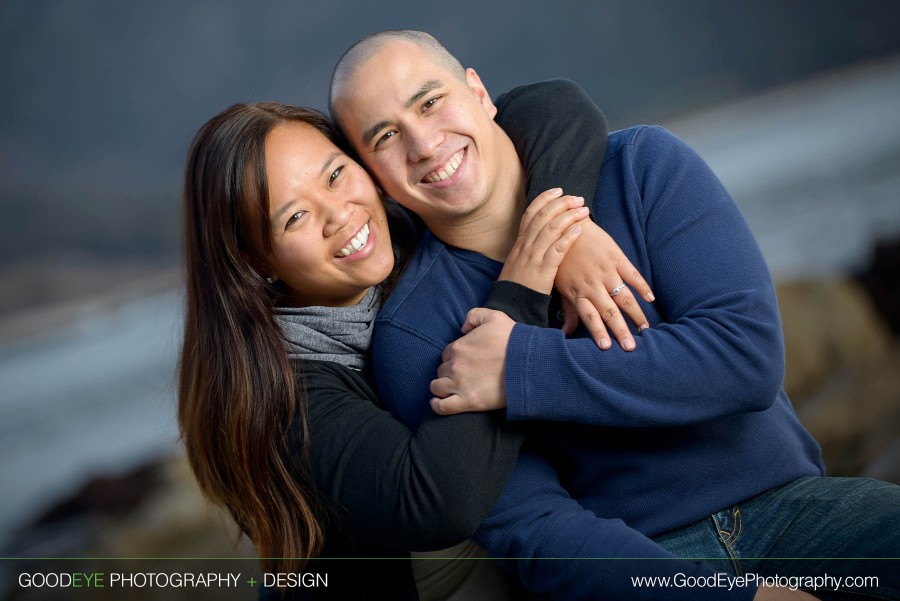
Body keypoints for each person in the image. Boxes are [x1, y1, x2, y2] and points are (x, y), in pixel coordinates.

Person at [328, 30, 900, 600]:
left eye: (431, 102)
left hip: (800, 513)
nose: (424, 144)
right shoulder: (413, 331)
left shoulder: (642, 168)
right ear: (369, 174)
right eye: (385, 137)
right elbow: (538, 531)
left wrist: (520, 370)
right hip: (644, 558)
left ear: (478, 92)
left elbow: (744, 357)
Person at [177, 91, 645, 599]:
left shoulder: (414, 228)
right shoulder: (279, 396)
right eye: (294, 218)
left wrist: (564, 228)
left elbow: (552, 107)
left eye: (335, 175)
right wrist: (520, 292)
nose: (339, 214)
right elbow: (437, 501)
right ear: (256, 260)